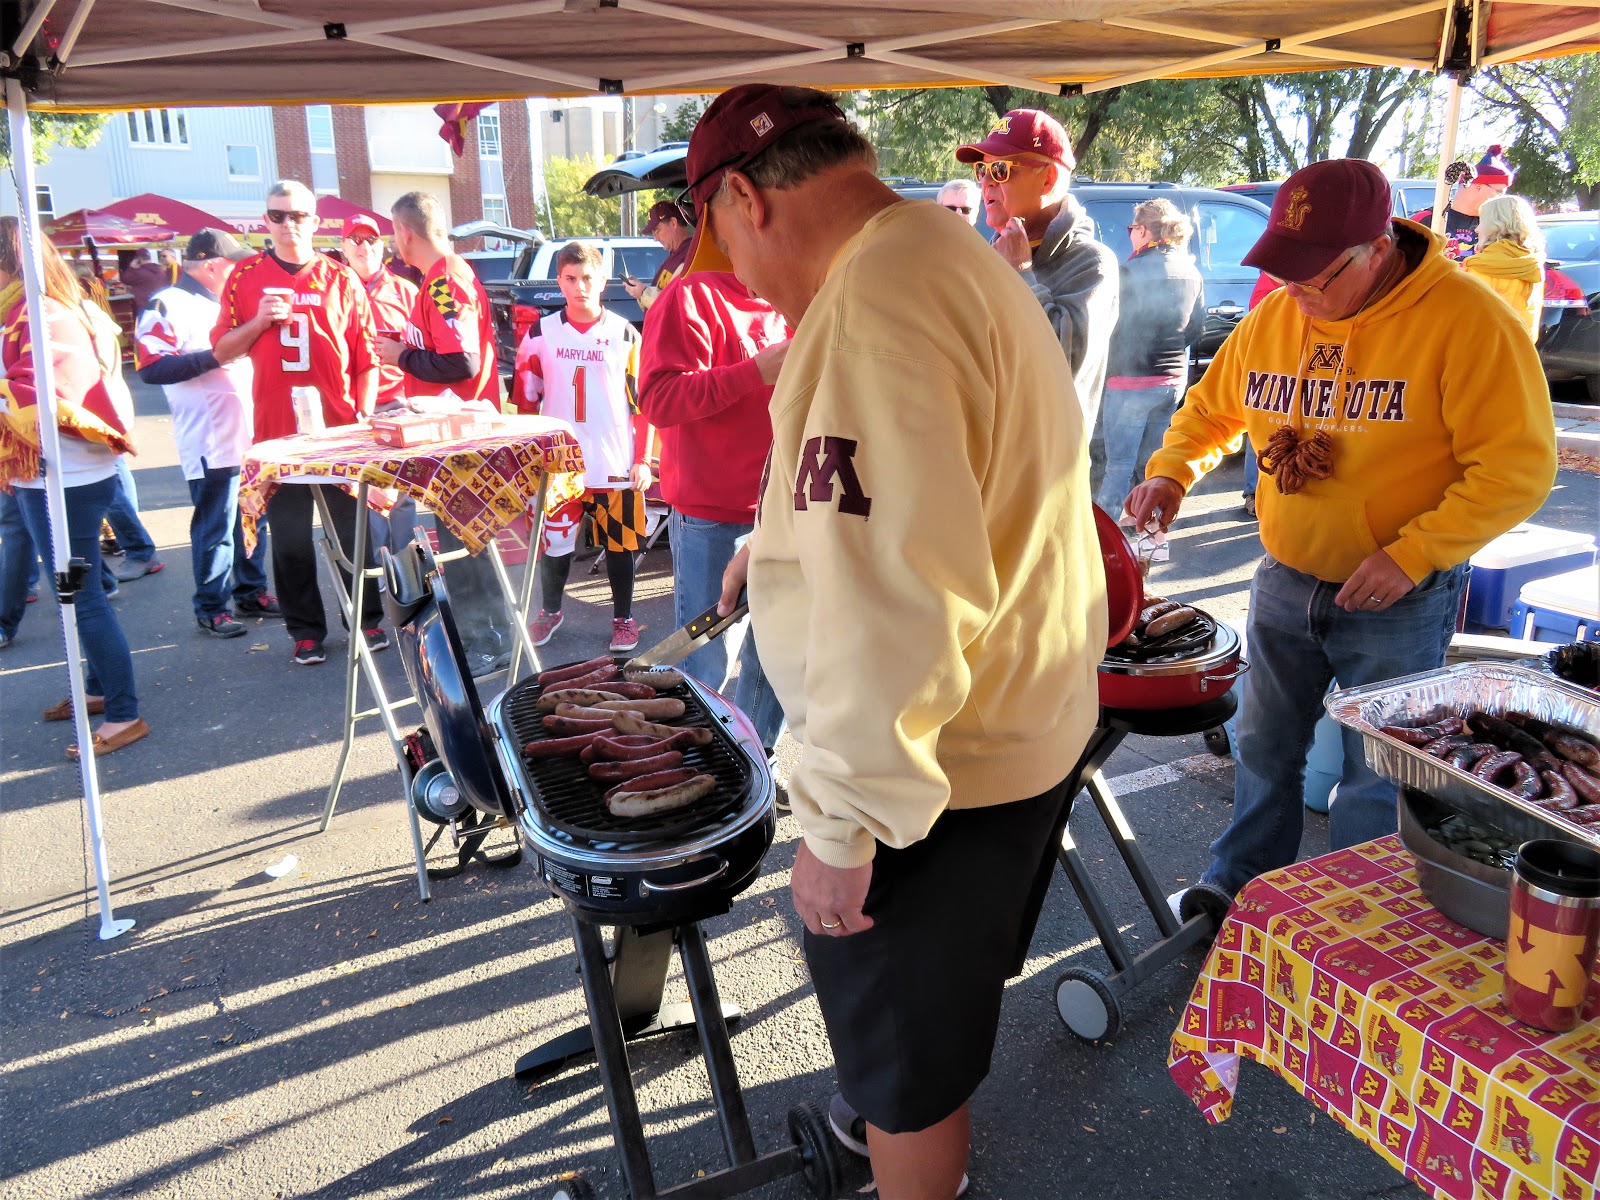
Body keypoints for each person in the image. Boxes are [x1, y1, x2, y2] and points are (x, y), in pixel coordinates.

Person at [695, 85, 1105, 1200]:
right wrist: (774, 539)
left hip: (936, 763)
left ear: (745, 197)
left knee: (907, 1066)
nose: (730, 274)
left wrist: (840, 816)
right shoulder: (942, 247)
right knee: (931, 1017)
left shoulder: (869, 300)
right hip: (1017, 710)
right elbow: (933, 497)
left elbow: (898, 595)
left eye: (717, 239)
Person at [1125, 159, 1557, 904]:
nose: (1294, 290)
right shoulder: (1279, 314)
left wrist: (1415, 553)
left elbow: (1517, 467)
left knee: (1375, 772)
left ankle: (1351, 911)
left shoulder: (1467, 318)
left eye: (1314, 275)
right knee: (1263, 743)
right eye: (1285, 271)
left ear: (1378, 250)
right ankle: (1242, 885)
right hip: (1287, 577)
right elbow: (1211, 409)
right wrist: (1172, 471)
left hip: (1397, 597)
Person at [212, 179, 385, 667]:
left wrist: (363, 415)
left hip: (336, 433)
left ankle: (367, 619)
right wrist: (258, 322)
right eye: (278, 215)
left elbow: (366, 356)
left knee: (355, 535)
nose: (290, 224)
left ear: (316, 219)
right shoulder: (245, 276)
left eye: (300, 215)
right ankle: (306, 630)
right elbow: (222, 350)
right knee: (289, 539)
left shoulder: (341, 278)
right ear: (264, 220)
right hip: (277, 435)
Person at [0, 216, 148, 755]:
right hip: (61, 475)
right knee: (78, 594)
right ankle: (101, 691)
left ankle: (125, 712)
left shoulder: (41, 314)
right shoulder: (44, 308)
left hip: (64, 477)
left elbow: (40, 400)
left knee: (81, 598)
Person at [637, 241, 790, 751]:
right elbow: (658, 400)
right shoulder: (688, 296)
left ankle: (751, 756)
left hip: (787, 515)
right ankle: (703, 759)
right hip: (712, 518)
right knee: (706, 654)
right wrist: (753, 372)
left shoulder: (793, 299)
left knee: (777, 652)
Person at [382, 190, 510, 669]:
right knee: (462, 544)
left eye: (394, 232)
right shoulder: (439, 278)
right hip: (451, 435)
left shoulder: (445, 281)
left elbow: (462, 361)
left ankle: (489, 643)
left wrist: (400, 357)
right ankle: (483, 640)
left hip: (463, 440)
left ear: (405, 232)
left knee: (467, 547)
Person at [135, 228, 279, 638]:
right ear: (214, 265)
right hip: (209, 438)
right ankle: (211, 606)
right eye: (235, 262)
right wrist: (215, 357)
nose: (242, 269)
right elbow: (151, 367)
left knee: (252, 518)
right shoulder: (168, 304)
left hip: (247, 435)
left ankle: (251, 591)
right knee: (215, 526)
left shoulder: (226, 302)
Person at [513, 241, 651, 654]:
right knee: (554, 546)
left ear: (602, 280)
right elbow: (524, 403)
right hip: (559, 466)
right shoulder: (540, 334)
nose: (579, 287)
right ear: (559, 281)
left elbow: (644, 406)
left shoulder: (626, 335)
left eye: (587, 278)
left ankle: (624, 619)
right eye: (570, 279)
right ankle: (551, 611)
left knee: (621, 545)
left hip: (615, 463)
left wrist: (643, 459)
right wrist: (527, 462)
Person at [955, 109, 1119, 437]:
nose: (986, 181)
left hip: (1049, 464)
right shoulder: (993, 252)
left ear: (1048, 179)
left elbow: (1061, 365)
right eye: (981, 169)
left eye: (1001, 169)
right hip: (990, 454)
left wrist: (1019, 273)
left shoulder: (1091, 262)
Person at [1095, 198, 1205, 515]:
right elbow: (1195, 328)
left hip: (1129, 382)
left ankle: (1105, 543)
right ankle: (1148, 532)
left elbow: (1108, 326)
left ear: (1143, 230)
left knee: (1118, 466)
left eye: (1132, 229)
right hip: (1171, 382)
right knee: (1153, 465)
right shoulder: (1191, 272)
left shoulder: (1126, 272)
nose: (1130, 234)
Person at [342, 213, 420, 555]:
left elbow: (422, 350)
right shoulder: (334, 287)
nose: (364, 247)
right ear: (343, 246)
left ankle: (407, 571)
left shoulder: (405, 291)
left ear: (383, 245)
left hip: (398, 405)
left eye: (371, 239)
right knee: (364, 497)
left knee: (401, 497)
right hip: (353, 410)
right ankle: (376, 572)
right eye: (355, 240)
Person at [1463, 194, 1545, 342]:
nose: (1477, 229)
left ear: (1494, 225)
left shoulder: (1483, 267)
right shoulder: (1533, 262)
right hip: (1521, 348)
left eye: (1482, 222)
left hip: (1485, 350)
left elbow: (1468, 320)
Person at [1412, 144, 1513, 262]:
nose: (1502, 199)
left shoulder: (1497, 227)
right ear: (1478, 187)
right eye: (1499, 192)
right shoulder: (1426, 219)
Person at [623, 200, 693, 313]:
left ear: (673, 223)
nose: (655, 238)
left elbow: (673, 304)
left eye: (657, 231)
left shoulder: (691, 255)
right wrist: (640, 291)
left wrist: (643, 292)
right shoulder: (675, 256)